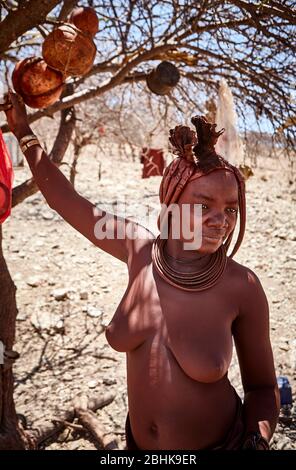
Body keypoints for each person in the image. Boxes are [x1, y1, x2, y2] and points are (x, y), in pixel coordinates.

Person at [3, 91, 280, 450]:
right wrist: (23, 130)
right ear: (172, 202)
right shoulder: (140, 251)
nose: (221, 221)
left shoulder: (241, 286)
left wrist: (256, 439)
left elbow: (262, 388)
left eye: (230, 209)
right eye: (203, 204)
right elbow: (64, 199)